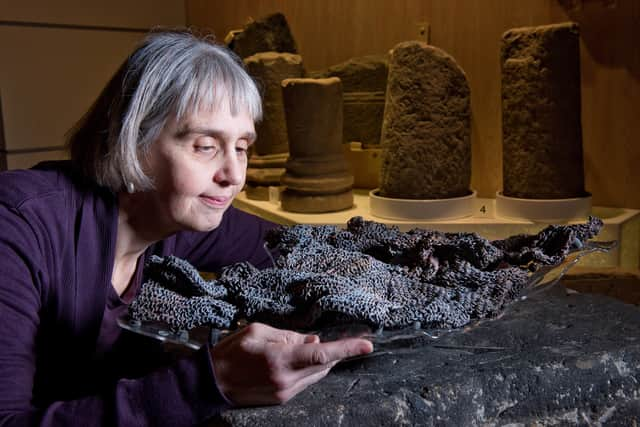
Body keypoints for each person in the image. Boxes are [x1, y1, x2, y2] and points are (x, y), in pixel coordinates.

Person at [0, 29, 372, 426]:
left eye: (242, 148)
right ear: (133, 139)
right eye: (205, 146)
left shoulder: (174, 217)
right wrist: (211, 382)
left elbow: (299, 247)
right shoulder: (17, 226)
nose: (233, 175)